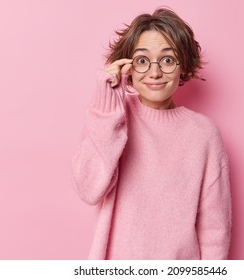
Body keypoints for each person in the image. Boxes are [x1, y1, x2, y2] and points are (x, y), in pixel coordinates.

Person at [71, 7, 231, 260]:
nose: (155, 72)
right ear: (128, 68)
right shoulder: (112, 119)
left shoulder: (204, 134)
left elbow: (215, 228)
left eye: (167, 60)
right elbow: (90, 188)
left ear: (183, 66)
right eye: (142, 60)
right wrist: (107, 104)